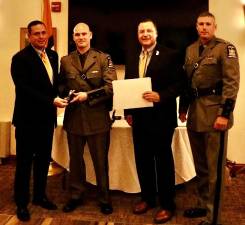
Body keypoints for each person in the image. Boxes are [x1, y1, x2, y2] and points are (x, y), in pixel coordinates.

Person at [179, 12, 240, 225]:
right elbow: (188, 84)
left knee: (215, 170)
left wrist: (225, 114)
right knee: (201, 168)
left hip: (215, 115)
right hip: (195, 115)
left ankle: (213, 217)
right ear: (196, 27)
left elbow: (232, 84)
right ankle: (202, 205)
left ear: (215, 26)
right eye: (200, 24)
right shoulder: (190, 50)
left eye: (208, 24)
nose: (204, 27)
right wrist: (183, 109)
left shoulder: (225, 48)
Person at [124, 19, 184, 224]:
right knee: (143, 160)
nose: (145, 34)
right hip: (139, 119)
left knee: (163, 161)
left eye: (149, 30)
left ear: (156, 34)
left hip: (161, 118)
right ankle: (147, 198)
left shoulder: (170, 55)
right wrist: (128, 111)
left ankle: (167, 204)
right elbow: (128, 86)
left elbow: (180, 84)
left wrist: (161, 95)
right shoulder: (132, 56)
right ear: (138, 35)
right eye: (141, 31)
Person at [11, 20, 68, 221]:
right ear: (29, 36)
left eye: (44, 33)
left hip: (46, 121)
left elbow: (56, 84)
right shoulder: (19, 59)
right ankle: (21, 203)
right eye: (37, 33)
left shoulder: (52, 56)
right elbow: (25, 89)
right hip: (27, 121)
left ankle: (39, 196)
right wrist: (52, 100)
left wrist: (65, 93)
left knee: (43, 162)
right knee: (24, 164)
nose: (42, 36)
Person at [59, 22, 117, 215]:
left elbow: (111, 87)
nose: (81, 37)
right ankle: (76, 196)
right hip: (74, 117)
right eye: (77, 35)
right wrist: (67, 93)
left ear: (90, 35)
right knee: (75, 161)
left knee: (100, 161)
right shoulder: (66, 60)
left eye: (84, 34)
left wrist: (88, 96)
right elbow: (60, 86)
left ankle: (104, 198)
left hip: (97, 117)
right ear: (73, 37)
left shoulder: (103, 58)